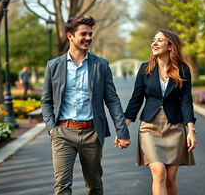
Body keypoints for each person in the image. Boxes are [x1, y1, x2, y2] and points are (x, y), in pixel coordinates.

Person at [41, 16, 131, 195]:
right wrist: (52, 128)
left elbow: (112, 100)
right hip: (62, 133)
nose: (88, 38)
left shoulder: (101, 65)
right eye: (83, 34)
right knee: (62, 186)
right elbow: (46, 100)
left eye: (90, 34)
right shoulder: (53, 66)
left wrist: (122, 131)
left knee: (94, 185)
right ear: (70, 36)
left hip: (92, 133)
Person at [123, 29, 197, 195]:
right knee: (159, 173)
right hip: (149, 128)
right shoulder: (145, 69)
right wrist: (124, 126)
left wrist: (191, 130)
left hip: (174, 128)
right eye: (153, 40)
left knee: (170, 180)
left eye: (159, 40)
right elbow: (136, 99)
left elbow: (186, 101)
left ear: (170, 46)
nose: (154, 43)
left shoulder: (183, 70)